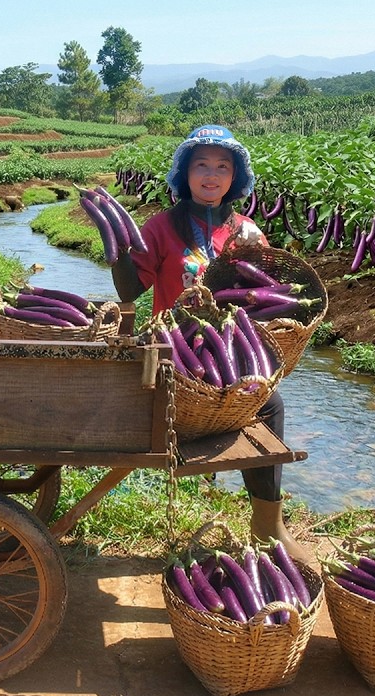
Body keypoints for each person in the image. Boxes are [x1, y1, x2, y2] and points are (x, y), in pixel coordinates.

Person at [110, 124, 310, 565]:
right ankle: (261, 520)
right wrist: (119, 247)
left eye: (223, 166)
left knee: (268, 401)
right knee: (254, 404)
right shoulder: (161, 227)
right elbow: (129, 291)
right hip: (178, 353)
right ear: (185, 173)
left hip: (229, 352)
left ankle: (268, 524)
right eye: (202, 164)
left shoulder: (248, 233)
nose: (212, 175)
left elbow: (263, 298)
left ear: (235, 177)